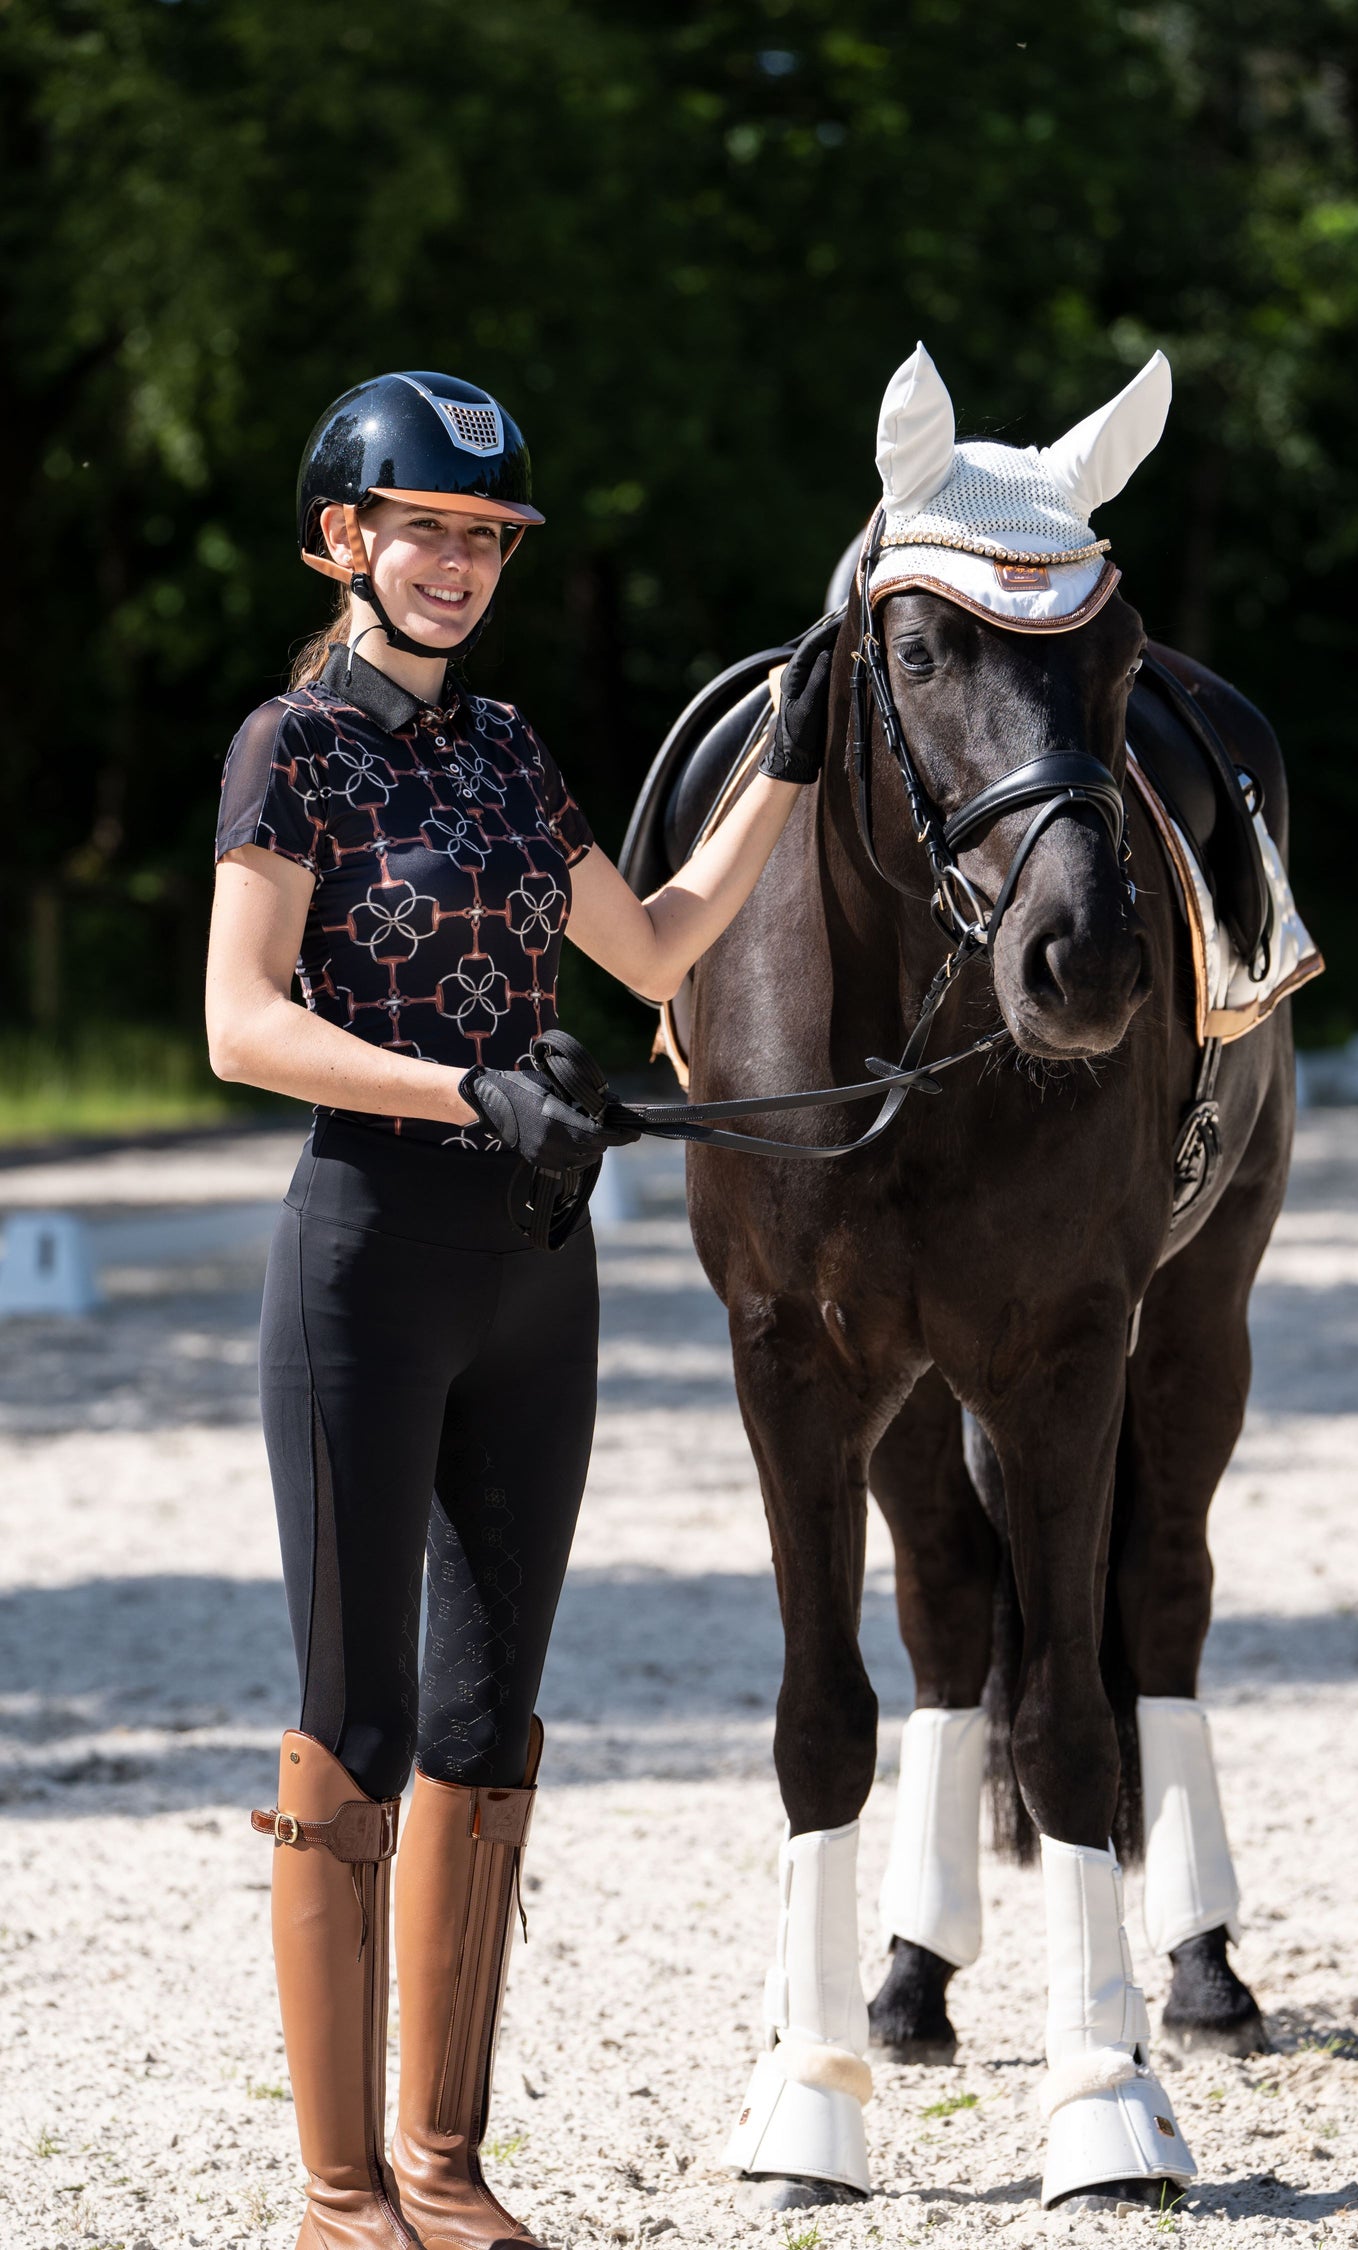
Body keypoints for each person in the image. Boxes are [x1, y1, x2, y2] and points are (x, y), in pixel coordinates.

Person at [205, 369, 837, 2250]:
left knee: (491, 1716)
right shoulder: (289, 749)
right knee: (360, 1714)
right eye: (431, 530)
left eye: (486, 539)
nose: (462, 564)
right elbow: (242, 1025)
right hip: (368, 1259)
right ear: (346, 540)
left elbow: (645, 943)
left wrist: (786, 767)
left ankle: (445, 2170)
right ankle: (337, 2194)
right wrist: (470, 1088)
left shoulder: (504, 752)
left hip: (535, 1276)